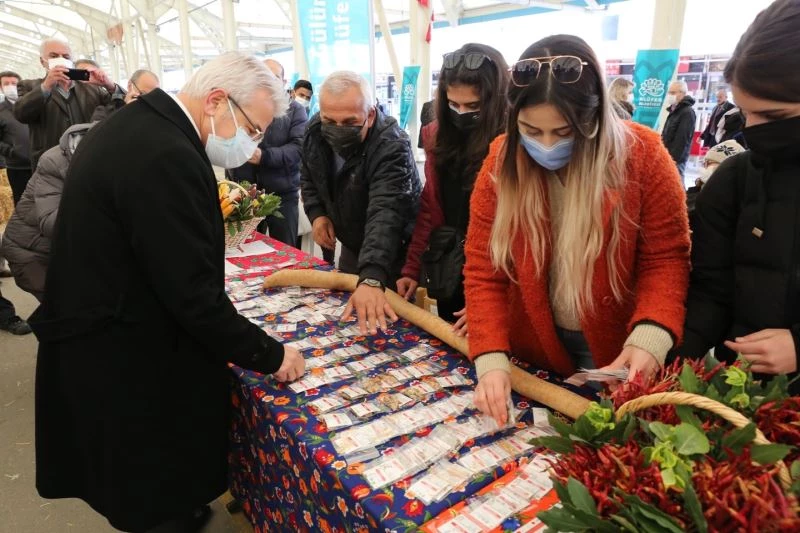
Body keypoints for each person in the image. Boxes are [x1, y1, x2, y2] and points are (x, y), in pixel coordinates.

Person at [28, 52, 305, 533]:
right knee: (148, 489)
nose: (251, 143)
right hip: (125, 351)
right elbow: (190, 295)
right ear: (217, 101)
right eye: (253, 128)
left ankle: (180, 505)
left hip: (112, 323)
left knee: (155, 483)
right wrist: (269, 354)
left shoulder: (141, 124)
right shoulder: (165, 154)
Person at [464, 35, 690, 425]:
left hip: (620, 348)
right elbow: (484, 270)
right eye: (531, 131)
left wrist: (651, 337)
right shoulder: (501, 162)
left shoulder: (645, 156)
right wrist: (491, 359)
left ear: (595, 117)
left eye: (564, 132)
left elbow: (666, 259)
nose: (547, 144)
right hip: (534, 348)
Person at [680, 0, 800, 395]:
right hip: (740, 396)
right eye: (746, 114)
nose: (754, 131)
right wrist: (674, 369)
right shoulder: (733, 180)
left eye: (776, 118)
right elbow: (710, 292)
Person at [397, 43, 509, 336]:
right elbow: (429, 208)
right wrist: (412, 268)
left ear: (495, 100)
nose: (461, 113)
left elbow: (516, 234)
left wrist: (490, 299)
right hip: (448, 270)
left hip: (496, 279)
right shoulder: (435, 136)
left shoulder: (512, 145)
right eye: (453, 104)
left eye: (473, 107)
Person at [301, 70, 421, 335]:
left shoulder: (392, 145)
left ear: (370, 115)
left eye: (349, 122)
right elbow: (310, 176)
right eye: (329, 120)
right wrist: (318, 214)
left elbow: (386, 212)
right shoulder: (313, 132)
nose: (337, 129)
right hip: (353, 243)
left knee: (392, 325)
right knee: (348, 318)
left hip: (394, 250)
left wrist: (372, 276)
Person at [229, 59, 307, 246]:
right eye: (261, 77)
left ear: (283, 81)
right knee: (243, 248)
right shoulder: (241, 107)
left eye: (273, 77)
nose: (267, 82)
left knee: (286, 249)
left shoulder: (295, 110)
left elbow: (299, 148)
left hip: (282, 194)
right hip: (245, 195)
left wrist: (264, 157)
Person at [14, 39, 124, 170]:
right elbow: (21, 114)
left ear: (72, 61)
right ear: (42, 61)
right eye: (54, 56)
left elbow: (123, 109)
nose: (61, 59)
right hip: (49, 164)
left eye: (66, 57)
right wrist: (46, 87)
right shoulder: (29, 86)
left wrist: (109, 85)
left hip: (87, 160)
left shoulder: (91, 88)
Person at [685, 139, 745, 230]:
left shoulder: (733, 210)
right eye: (708, 163)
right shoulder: (691, 196)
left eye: (718, 166)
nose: (709, 167)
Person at [0, 70, 31, 204]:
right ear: (1, 88)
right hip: (17, 167)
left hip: (39, 162)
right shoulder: (1, 111)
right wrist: (12, 151)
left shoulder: (31, 105)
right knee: (22, 202)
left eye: (14, 83)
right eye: (6, 84)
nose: (11, 86)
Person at [90, 68, 159, 122]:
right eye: (143, 93)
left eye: (153, 96)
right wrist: (127, 112)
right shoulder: (103, 113)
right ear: (129, 86)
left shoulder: (158, 112)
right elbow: (99, 136)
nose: (148, 100)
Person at [661, 80, 697, 178]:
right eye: (669, 92)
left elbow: (682, 140)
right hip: (668, 156)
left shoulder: (687, 112)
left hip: (676, 160)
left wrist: (673, 159)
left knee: (677, 184)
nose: (670, 95)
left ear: (683, 93)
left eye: (673, 93)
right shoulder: (674, 110)